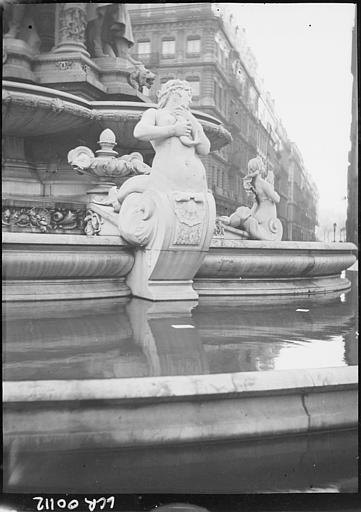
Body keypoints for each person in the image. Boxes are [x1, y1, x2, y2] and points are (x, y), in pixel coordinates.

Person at [115, 79, 210, 203]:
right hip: (168, 174)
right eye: (187, 96)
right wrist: (174, 130)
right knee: (129, 191)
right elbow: (139, 132)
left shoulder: (190, 119)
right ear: (176, 94)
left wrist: (192, 121)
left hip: (196, 177)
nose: (189, 101)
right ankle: (117, 200)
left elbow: (205, 149)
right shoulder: (155, 113)